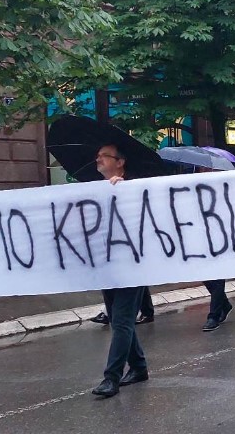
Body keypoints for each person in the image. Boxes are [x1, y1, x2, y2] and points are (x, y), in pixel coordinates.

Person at [91, 144, 148, 398]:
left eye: (104, 156)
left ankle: (111, 377)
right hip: (108, 265)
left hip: (131, 266)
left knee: (123, 321)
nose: (98, 159)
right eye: (98, 156)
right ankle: (139, 367)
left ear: (120, 162)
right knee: (117, 318)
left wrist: (125, 191)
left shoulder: (135, 187)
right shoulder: (96, 189)